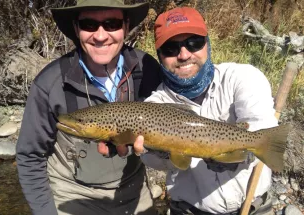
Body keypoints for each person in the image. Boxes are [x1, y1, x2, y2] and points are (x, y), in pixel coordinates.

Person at [15, 1, 162, 215]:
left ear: (126, 26)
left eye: (112, 24)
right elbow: (30, 156)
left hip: (133, 191)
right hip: (73, 195)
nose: (100, 36)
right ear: (76, 29)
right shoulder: (50, 83)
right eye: (89, 25)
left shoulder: (146, 68)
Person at [133, 7, 276, 215]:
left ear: (207, 44)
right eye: (171, 48)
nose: (184, 54)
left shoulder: (243, 77)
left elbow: (262, 129)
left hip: (255, 208)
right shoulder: (153, 105)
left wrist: (233, 154)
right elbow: (153, 161)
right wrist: (159, 151)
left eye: (194, 43)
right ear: (160, 56)